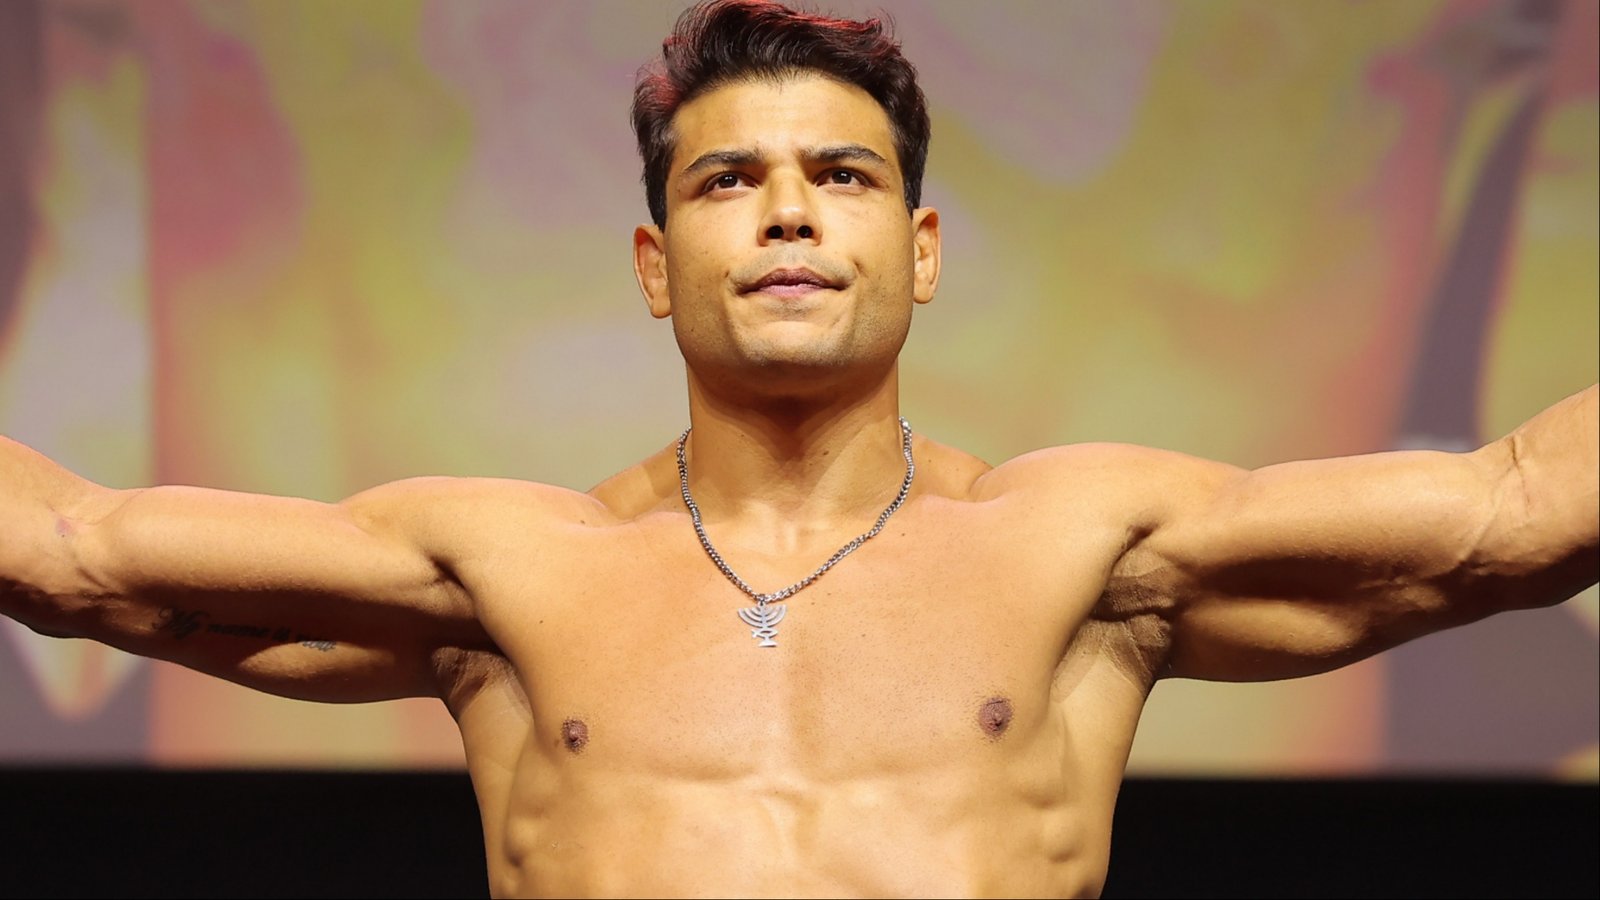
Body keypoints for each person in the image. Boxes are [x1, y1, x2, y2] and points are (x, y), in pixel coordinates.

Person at [1, 1, 1595, 896]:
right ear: (654, 266)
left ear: (919, 250)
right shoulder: (506, 571)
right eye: (726, 182)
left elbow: (1513, 516)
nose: (785, 215)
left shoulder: (1080, 551)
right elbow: (78, 556)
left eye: (841, 176)